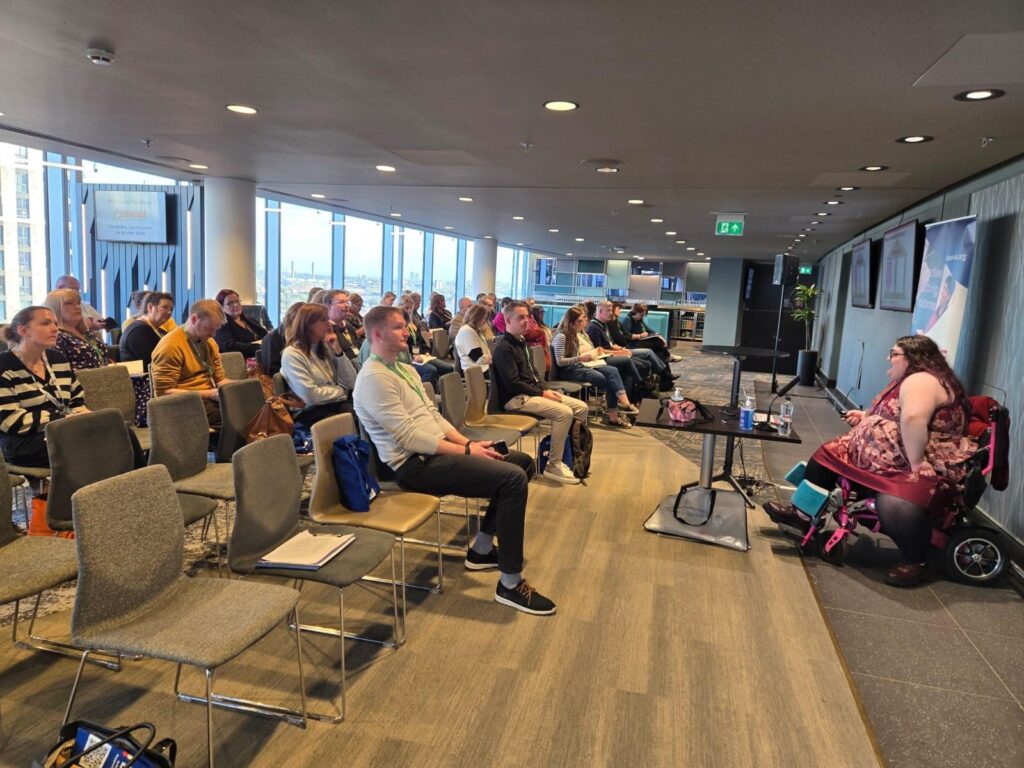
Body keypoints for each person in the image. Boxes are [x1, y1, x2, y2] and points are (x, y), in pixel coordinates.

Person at [353, 305, 556, 615]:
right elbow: (409, 438)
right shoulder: (373, 378)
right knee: (512, 479)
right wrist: (465, 451)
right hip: (413, 465)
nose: (407, 330)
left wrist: (469, 443)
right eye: (397, 327)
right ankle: (510, 585)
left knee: (521, 463)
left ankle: (482, 549)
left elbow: (433, 416)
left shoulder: (404, 369)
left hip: (437, 451)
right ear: (377, 334)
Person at [764, 335, 977, 587]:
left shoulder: (922, 379)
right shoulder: (915, 379)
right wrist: (867, 416)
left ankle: (916, 561)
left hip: (909, 465)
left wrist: (918, 462)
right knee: (826, 458)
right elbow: (898, 412)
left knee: (896, 506)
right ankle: (802, 514)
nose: (889, 358)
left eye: (893, 353)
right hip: (882, 459)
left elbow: (913, 420)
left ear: (914, 357)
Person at [491, 301, 588, 485]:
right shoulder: (504, 348)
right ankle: (553, 464)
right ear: (508, 320)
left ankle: (572, 456)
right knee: (564, 413)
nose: (526, 321)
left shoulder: (522, 342)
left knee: (581, 407)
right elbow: (513, 384)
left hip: (531, 393)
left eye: (527, 317)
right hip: (516, 399)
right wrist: (542, 394)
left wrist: (546, 389)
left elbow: (534, 373)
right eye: (521, 317)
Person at [0, 306, 89, 467]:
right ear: (23, 330)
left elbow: (77, 402)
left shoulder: (58, 359)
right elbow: (10, 421)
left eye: (55, 323)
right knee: (89, 445)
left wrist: (81, 417)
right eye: (46, 323)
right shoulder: (4, 366)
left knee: (120, 433)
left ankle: (134, 489)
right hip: (22, 441)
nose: (55, 328)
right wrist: (60, 419)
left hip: (62, 429)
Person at [552, 306, 637, 428]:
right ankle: (618, 409)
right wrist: (580, 358)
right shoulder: (562, 336)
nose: (583, 323)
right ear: (571, 322)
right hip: (570, 370)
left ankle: (622, 406)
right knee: (609, 381)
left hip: (581, 365)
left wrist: (586, 357)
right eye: (580, 321)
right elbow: (560, 362)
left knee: (613, 370)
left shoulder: (575, 334)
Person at [150, 299, 228, 427]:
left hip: (207, 400)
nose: (213, 335)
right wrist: (210, 393)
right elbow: (164, 393)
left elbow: (220, 380)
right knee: (237, 416)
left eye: (216, 330)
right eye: (209, 329)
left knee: (252, 405)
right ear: (194, 319)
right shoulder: (170, 345)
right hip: (182, 405)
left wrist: (240, 388)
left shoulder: (209, 343)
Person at [280, 303, 357, 429]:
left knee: (366, 412)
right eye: (323, 320)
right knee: (355, 417)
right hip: (310, 413)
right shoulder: (292, 354)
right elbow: (310, 396)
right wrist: (341, 391)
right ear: (308, 325)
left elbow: (351, 382)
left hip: (335, 405)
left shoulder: (325, 346)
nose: (330, 323)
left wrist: (338, 351)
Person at [594, 301, 676, 391]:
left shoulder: (611, 323)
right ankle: (643, 384)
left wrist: (620, 348)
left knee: (658, 353)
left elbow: (614, 342)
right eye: (610, 310)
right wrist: (621, 349)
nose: (614, 312)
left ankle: (664, 382)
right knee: (650, 351)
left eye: (611, 310)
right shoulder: (607, 324)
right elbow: (604, 347)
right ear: (601, 311)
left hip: (622, 347)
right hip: (626, 347)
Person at [43, 289, 110, 370]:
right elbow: (59, 372)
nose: (78, 307)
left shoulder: (85, 332)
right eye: (69, 303)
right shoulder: (56, 336)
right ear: (55, 308)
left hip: (105, 378)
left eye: (78, 303)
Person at [120, 291, 174, 369]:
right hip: (143, 379)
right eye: (165, 307)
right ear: (150, 307)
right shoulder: (138, 331)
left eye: (171, 309)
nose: (169, 312)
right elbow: (154, 361)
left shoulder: (159, 330)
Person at [213, 289, 268, 358]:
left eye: (237, 301)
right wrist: (258, 346)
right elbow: (229, 346)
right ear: (221, 307)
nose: (235, 305)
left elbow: (264, 334)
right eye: (230, 303)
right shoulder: (221, 324)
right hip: (240, 362)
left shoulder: (249, 319)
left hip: (261, 356)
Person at [260, 302, 304, 376]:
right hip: (286, 381)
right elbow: (272, 372)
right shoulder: (272, 338)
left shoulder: (304, 336)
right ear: (293, 320)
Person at [321, 290, 360, 362]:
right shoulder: (326, 330)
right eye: (341, 302)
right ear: (329, 306)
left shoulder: (349, 327)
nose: (347, 305)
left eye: (347, 302)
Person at [454, 303, 493, 373]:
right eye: (483, 318)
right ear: (475, 316)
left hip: (483, 367)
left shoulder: (475, 330)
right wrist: (491, 358)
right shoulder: (466, 331)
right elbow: (478, 358)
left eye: (486, 318)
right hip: (476, 371)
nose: (485, 321)